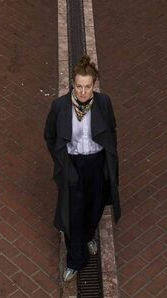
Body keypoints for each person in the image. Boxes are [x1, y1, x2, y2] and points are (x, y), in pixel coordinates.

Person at [44, 54, 121, 283]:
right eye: (79, 86)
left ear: (94, 85)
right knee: (72, 214)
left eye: (87, 87)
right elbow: (50, 135)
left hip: (96, 164)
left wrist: (108, 166)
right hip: (73, 164)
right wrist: (63, 165)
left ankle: (89, 235)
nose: (83, 92)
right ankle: (75, 259)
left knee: (95, 206)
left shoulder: (104, 103)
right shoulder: (59, 107)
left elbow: (112, 131)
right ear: (72, 84)